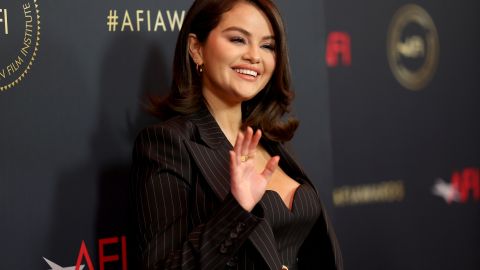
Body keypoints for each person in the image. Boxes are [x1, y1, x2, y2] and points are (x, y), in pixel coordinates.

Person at [130, 0, 343, 269]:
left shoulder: (273, 142)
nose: (255, 56)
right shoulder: (168, 144)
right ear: (196, 49)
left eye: (267, 45)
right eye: (238, 39)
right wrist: (237, 210)